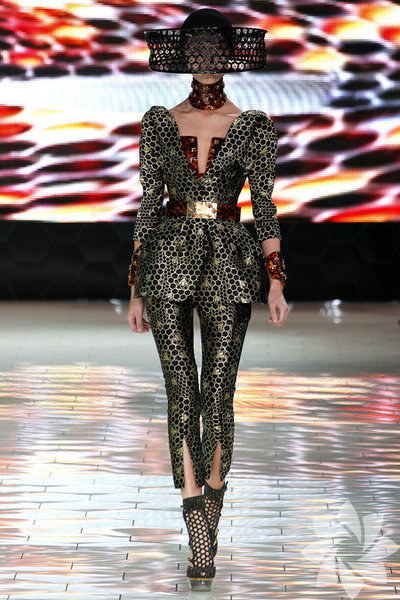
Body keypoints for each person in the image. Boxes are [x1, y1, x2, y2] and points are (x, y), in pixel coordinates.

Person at [126, 7, 290, 591]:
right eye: (194, 47)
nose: (203, 57)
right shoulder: (158, 122)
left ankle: (207, 521)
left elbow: (263, 205)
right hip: (167, 261)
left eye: (212, 47)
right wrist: (134, 287)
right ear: (182, 54)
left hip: (229, 262)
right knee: (182, 392)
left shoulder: (253, 126)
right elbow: (148, 203)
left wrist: (276, 279)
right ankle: (196, 522)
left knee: (218, 393)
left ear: (228, 53)